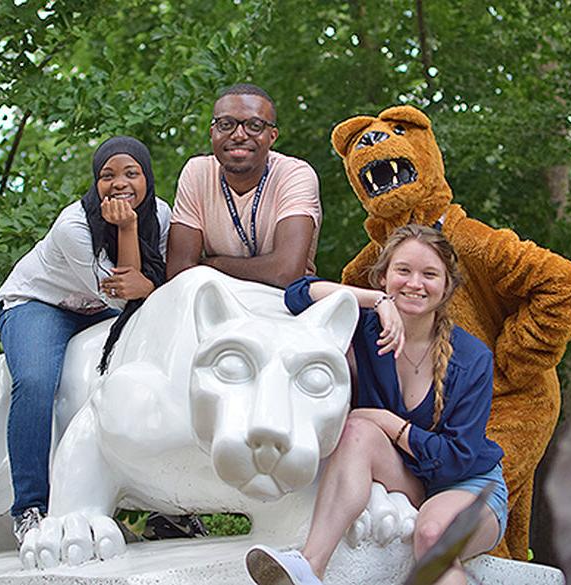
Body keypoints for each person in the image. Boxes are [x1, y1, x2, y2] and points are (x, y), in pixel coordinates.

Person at [245, 225, 507, 585]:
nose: (415, 283)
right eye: (403, 271)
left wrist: (388, 422)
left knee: (432, 538)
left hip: (466, 484)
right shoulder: (366, 329)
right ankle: (309, 568)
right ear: (383, 277)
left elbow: (456, 459)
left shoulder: (472, 357)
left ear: (446, 287)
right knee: (357, 430)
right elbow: (298, 294)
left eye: (430, 274)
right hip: (409, 475)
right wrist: (375, 302)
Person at [0, 136, 169, 544]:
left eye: (131, 173)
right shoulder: (74, 224)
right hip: (39, 302)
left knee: (144, 371)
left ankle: (164, 510)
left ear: (148, 177)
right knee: (36, 382)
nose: (119, 183)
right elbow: (125, 290)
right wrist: (126, 227)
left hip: (95, 305)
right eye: (107, 175)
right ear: (95, 181)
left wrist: (145, 283)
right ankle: (31, 508)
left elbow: (156, 280)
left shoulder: (160, 213)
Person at [166, 83, 322, 287]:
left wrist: (210, 265)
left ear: (272, 136)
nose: (239, 135)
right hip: (215, 300)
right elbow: (179, 271)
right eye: (226, 124)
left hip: (284, 304)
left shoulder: (294, 174)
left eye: (254, 126)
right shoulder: (197, 172)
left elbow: (285, 273)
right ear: (212, 132)